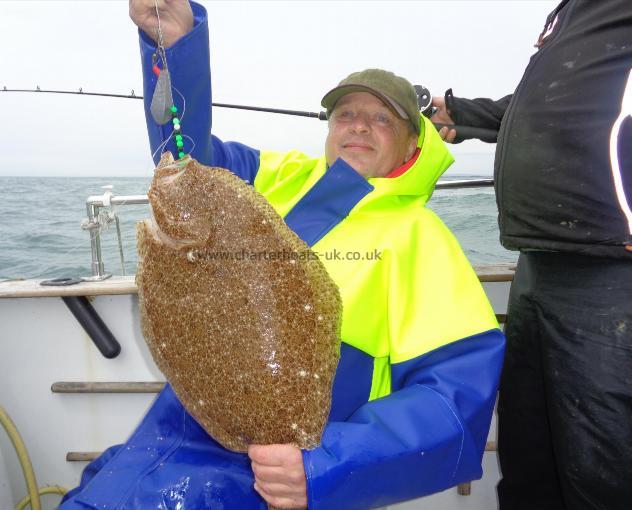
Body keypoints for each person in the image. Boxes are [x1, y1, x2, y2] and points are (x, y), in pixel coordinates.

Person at [60, 1, 504, 508]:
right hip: (173, 428)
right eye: (346, 115)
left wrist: (323, 464)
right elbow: (183, 161)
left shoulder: (422, 237)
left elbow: (454, 398)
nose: (359, 126)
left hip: (280, 465)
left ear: (411, 146)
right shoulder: (275, 176)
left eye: (382, 118)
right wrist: (177, 45)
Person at [430, 1, 632, 509]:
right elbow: (547, 104)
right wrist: (457, 113)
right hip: (537, 265)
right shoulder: (572, 14)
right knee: (528, 453)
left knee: (602, 471)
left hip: (612, 272)